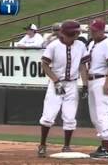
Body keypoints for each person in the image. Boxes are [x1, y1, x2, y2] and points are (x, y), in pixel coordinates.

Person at [38, 20, 88, 157]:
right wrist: (55, 81)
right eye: (75, 33)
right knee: (48, 115)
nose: (77, 35)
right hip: (56, 83)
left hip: (72, 83)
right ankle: (42, 144)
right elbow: (45, 65)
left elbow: (83, 66)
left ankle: (66, 146)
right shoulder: (53, 46)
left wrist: (85, 85)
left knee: (70, 116)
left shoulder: (80, 45)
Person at [82, 18, 108, 158]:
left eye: (94, 30)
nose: (92, 32)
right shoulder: (92, 43)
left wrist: (107, 82)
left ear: (102, 30)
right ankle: (104, 143)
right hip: (92, 80)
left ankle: (107, 147)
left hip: (102, 79)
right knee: (95, 116)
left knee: (104, 113)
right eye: (91, 29)